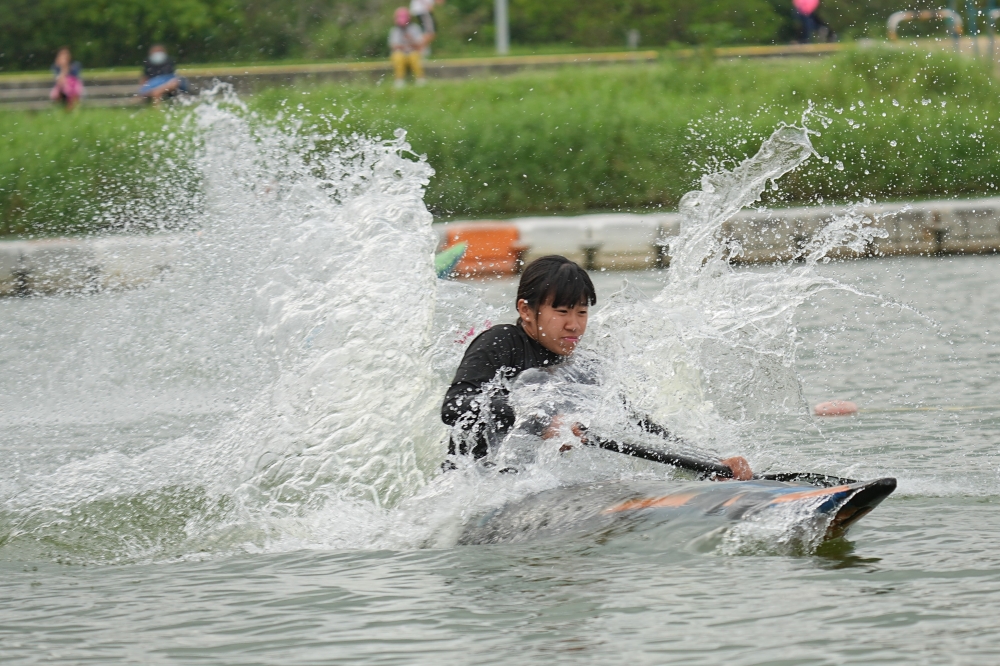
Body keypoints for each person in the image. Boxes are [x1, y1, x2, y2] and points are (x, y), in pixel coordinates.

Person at [440, 255, 753, 479]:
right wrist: (540, 419)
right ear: (526, 310)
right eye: (562, 311)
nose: (574, 325)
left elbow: (636, 425)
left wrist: (710, 463)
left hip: (530, 484)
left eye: (581, 312)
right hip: (475, 483)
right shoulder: (501, 342)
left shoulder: (583, 367)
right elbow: (455, 405)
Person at [389, 7, 426, 88]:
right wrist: (404, 46)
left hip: (412, 53)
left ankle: (420, 79)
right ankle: (399, 80)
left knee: (414, 56)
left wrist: (410, 40)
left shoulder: (415, 28)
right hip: (401, 54)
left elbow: (419, 45)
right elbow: (394, 46)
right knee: (398, 56)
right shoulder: (395, 30)